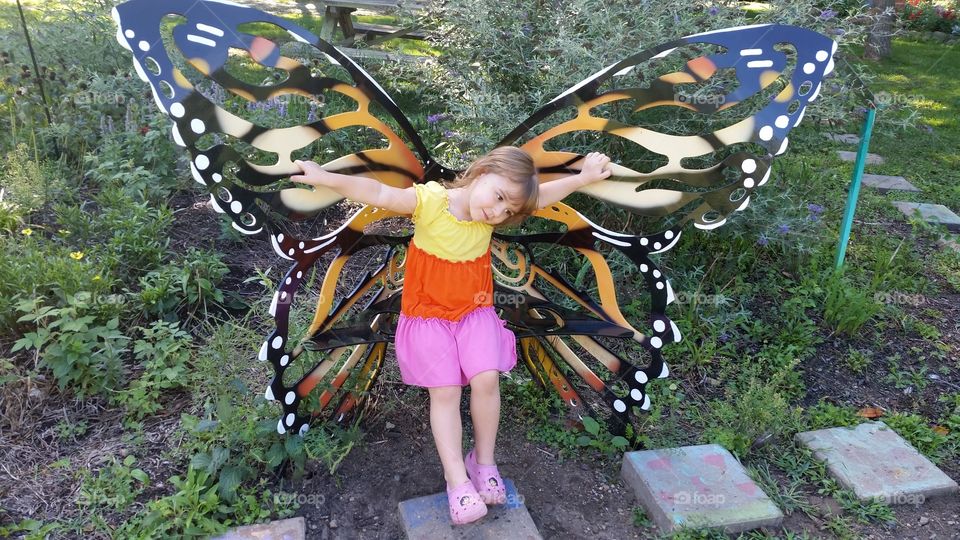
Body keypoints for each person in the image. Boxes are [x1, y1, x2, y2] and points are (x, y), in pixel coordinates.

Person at [291, 147, 612, 525]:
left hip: (474, 313)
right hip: (428, 316)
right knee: (445, 391)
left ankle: (484, 463)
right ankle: (456, 479)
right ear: (481, 172)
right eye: (498, 197)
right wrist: (325, 178)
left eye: (508, 210)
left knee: (487, 378)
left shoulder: (490, 217)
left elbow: (541, 197)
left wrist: (585, 177)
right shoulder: (430, 201)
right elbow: (379, 194)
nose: (498, 212)